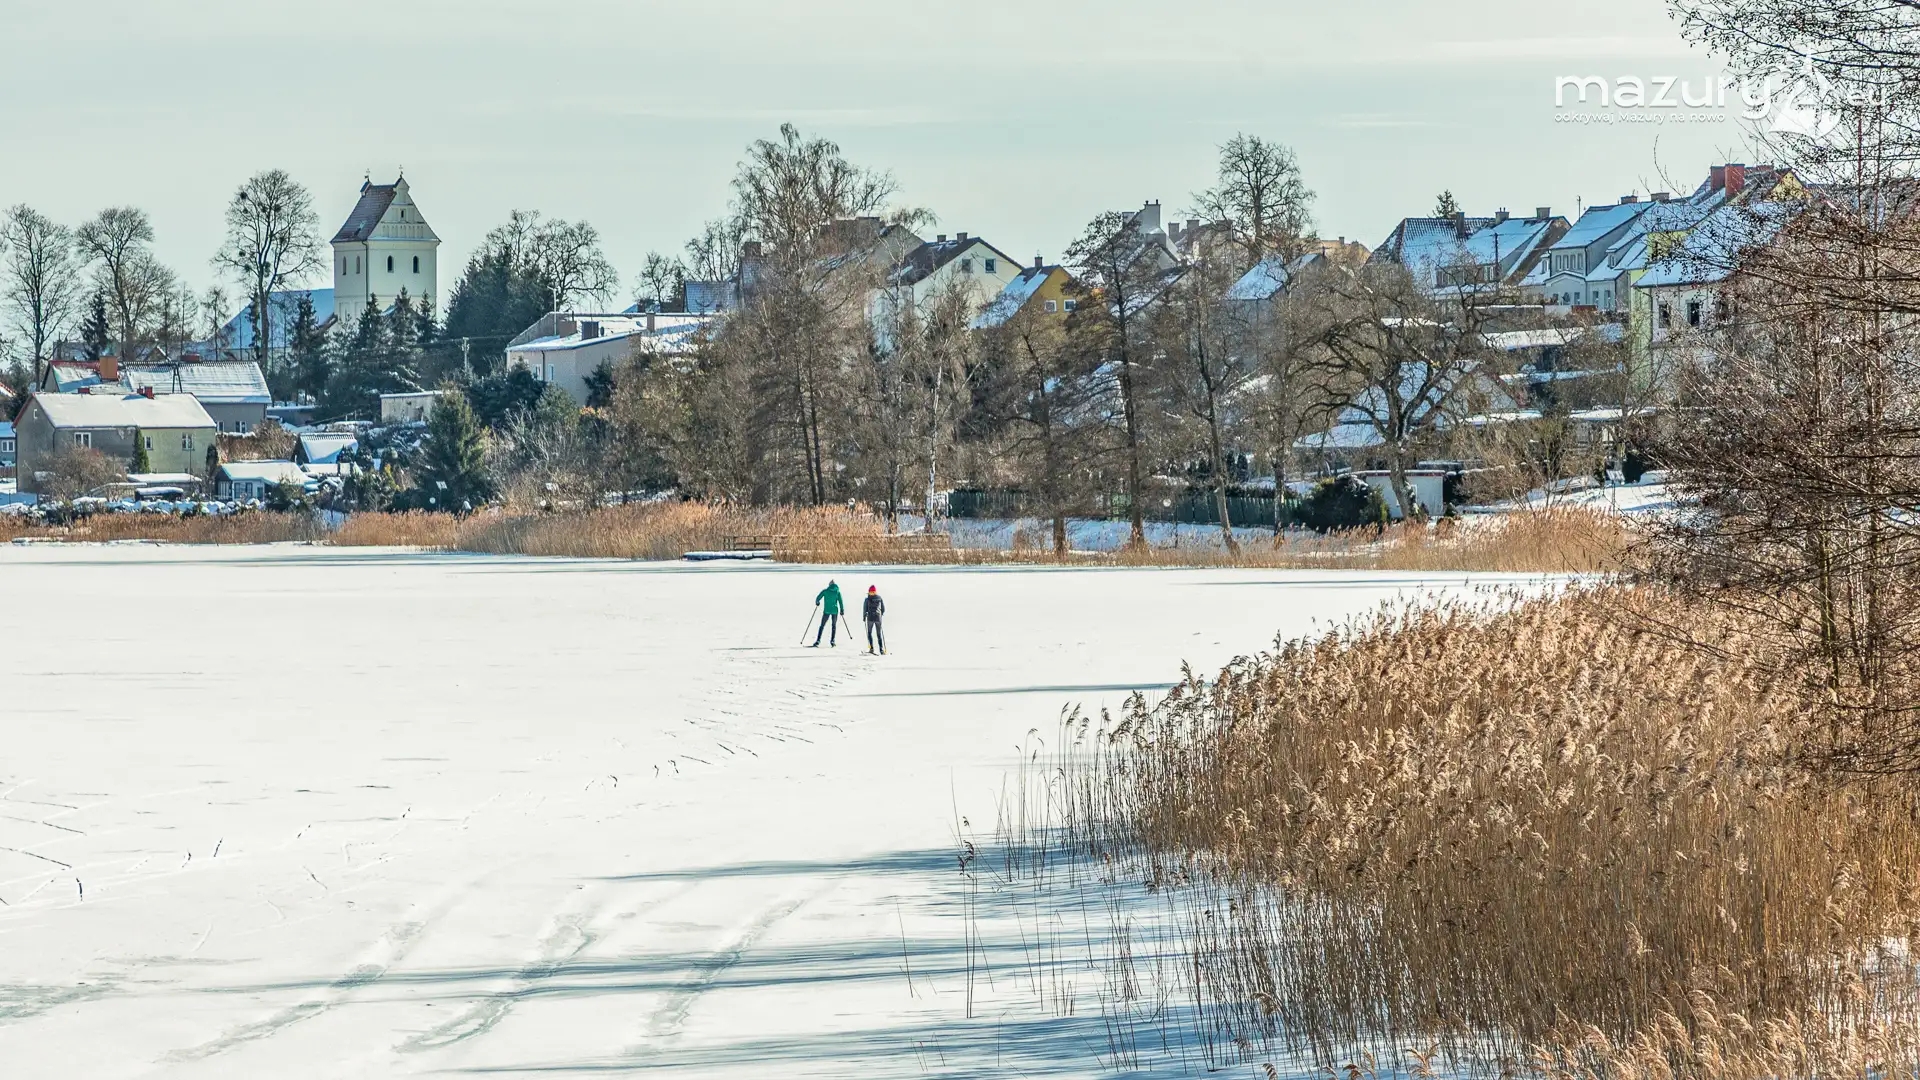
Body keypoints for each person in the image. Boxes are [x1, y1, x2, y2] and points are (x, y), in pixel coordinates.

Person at [812, 580, 845, 647]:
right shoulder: (837, 592)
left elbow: (818, 597)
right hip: (834, 611)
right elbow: (841, 602)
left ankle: (818, 640)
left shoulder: (825, 591)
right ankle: (832, 641)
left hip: (826, 611)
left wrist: (817, 602)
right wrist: (842, 610)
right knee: (833, 626)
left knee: (822, 625)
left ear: (829, 585)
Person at [863, 585, 886, 655]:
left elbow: (865, 609)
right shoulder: (879, 598)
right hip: (878, 618)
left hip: (870, 618)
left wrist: (864, 617)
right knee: (879, 634)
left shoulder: (867, 599)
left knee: (869, 633)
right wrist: (881, 614)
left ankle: (871, 648)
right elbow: (883, 609)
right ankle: (881, 650)